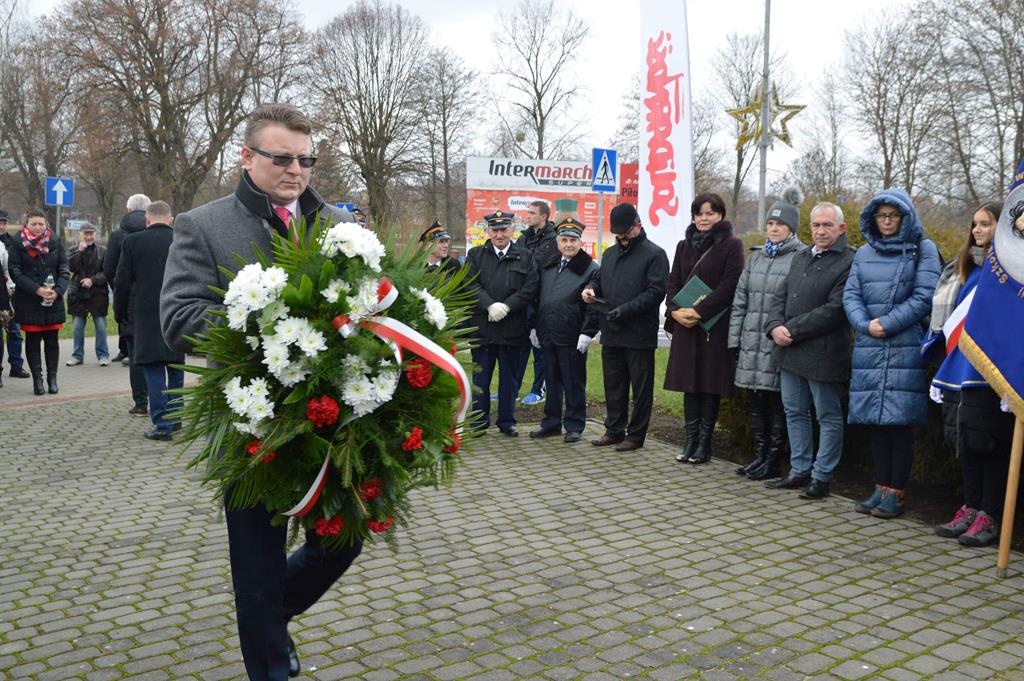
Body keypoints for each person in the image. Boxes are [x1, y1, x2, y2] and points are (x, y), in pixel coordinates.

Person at [161, 102, 359, 681]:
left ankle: (272, 616)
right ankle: (270, 660)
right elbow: (178, 319)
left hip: (331, 421)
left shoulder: (338, 226)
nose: (296, 170)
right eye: (282, 158)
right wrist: (265, 321)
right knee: (256, 565)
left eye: (306, 159)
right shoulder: (204, 225)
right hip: (251, 425)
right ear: (247, 158)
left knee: (343, 539)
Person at [843, 188, 941, 517]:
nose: (886, 221)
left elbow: (925, 295)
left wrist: (887, 323)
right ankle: (880, 487)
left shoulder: (922, 249)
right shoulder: (863, 253)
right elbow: (850, 295)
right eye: (881, 216)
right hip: (870, 343)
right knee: (876, 422)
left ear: (905, 217)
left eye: (893, 216)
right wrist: (865, 324)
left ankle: (896, 491)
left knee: (898, 424)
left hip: (903, 345)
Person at [927, 202, 1012, 545]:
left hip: (992, 372)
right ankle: (970, 507)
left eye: (986, 224)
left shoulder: (1011, 271)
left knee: (989, 445)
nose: (977, 231)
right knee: (967, 443)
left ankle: (989, 515)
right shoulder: (965, 268)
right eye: (974, 225)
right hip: (959, 369)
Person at [764, 203, 855, 499]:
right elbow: (781, 296)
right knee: (795, 412)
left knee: (827, 415)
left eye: (827, 225)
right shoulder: (802, 257)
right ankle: (799, 470)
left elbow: (836, 309)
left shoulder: (849, 261)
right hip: (790, 352)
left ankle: (822, 475)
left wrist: (792, 330)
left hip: (824, 353)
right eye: (816, 225)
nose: (820, 231)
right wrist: (774, 325)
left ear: (841, 228)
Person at [729, 190, 806, 479]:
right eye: (771, 224)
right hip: (751, 342)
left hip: (778, 343)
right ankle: (759, 455)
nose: (773, 229)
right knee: (755, 401)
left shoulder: (800, 257)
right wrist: (735, 340)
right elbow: (740, 301)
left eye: (780, 225)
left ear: (791, 228)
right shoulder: (757, 258)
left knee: (777, 403)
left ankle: (774, 459)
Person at [664, 192, 745, 464]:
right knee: (690, 385)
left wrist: (699, 311)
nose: (704, 218)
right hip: (686, 326)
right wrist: (675, 311)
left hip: (713, 326)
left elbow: (730, 285)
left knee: (708, 386)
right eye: (699, 213)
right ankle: (689, 442)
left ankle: (704, 445)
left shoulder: (732, 245)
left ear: (720, 215)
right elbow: (673, 282)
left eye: (710, 212)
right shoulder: (682, 246)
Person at [582, 202, 669, 452]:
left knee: (640, 388)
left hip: (639, 333)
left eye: (625, 232)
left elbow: (655, 292)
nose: (621, 237)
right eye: (617, 233)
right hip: (611, 330)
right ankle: (614, 430)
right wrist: (591, 289)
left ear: (638, 226)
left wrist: (625, 310)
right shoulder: (609, 254)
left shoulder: (654, 254)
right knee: (614, 384)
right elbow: (598, 278)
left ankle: (637, 434)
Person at [464, 210, 539, 437]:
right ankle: (479, 422)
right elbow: (469, 284)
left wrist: (506, 306)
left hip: (511, 328)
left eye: (503, 229)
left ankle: (507, 421)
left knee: (509, 379)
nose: (499, 234)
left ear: (512, 229)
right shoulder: (475, 255)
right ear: (487, 231)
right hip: (483, 328)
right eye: (494, 230)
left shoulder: (525, 256)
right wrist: (489, 305)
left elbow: (531, 287)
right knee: (481, 378)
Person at [115, 201, 185, 441]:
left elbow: (122, 281)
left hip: (146, 313)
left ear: (147, 219)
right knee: (176, 366)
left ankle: (162, 426)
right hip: (178, 310)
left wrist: (120, 312)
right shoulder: (180, 240)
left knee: (153, 367)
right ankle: (176, 417)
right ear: (171, 219)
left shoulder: (132, 242)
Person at [529, 217, 599, 443]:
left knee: (573, 381)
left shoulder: (590, 269)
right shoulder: (549, 265)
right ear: (558, 242)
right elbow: (538, 297)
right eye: (565, 240)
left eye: (573, 240)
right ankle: (551, 423)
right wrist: (534, 327)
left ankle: (574, 424)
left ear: (580, 242)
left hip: (572, 335)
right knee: (551, 380)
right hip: (548, 332)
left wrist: (587, 333)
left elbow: (594, 306)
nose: (569, 244)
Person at [8, 209, 70, 395]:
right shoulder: (17, 243)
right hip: (29, 300)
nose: (37, 227)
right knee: (33, 341)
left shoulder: (55, 241)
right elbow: (15, 272)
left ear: (46, 225)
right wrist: (37, 289)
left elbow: (64, 268)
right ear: (26, 224)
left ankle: (52, 379)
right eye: (33, 223)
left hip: (53, 300)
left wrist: (57, 292)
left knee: (52, 341)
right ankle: (38, 380)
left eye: (40, 224)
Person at [105, 194, 150, 414]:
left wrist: (120, 291)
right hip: (156, 300)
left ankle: (141, 403)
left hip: (130, 301)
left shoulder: (117, 235)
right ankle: (164, 401)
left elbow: (109, 268)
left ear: (129, 209)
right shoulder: (158, 231)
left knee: (135, 355)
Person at [517, 200, 557, 405]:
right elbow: (516, 260)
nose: (528, 216)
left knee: (539, 347)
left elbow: (533, 263)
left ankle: (538, 389)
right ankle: (513, 388)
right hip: (524, 300)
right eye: (528, 212)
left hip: (541, 301)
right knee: (519, 346)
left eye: (532, 213)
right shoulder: (524, 237)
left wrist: (522, 260)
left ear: (544, 216)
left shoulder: (553, 239)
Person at [65, 223, 110, 366]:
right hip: (78, 294)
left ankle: (103, 355)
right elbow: (71, 268)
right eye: (86, 234)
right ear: (80, 235)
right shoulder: (72, 250)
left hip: (98, 294)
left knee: (101, 326)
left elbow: (108, 272)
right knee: (78, 327)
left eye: (91, 234)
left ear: (95, 235)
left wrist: (93, 280)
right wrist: (79, 252)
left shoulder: (103, 251)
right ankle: (77, 355)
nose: (88, 237)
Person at [0, 209, 29, 379]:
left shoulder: (13, 242)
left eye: (3, 223)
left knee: (14, 331)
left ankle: (16, 366)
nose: (1, 226)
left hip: (11, 292)